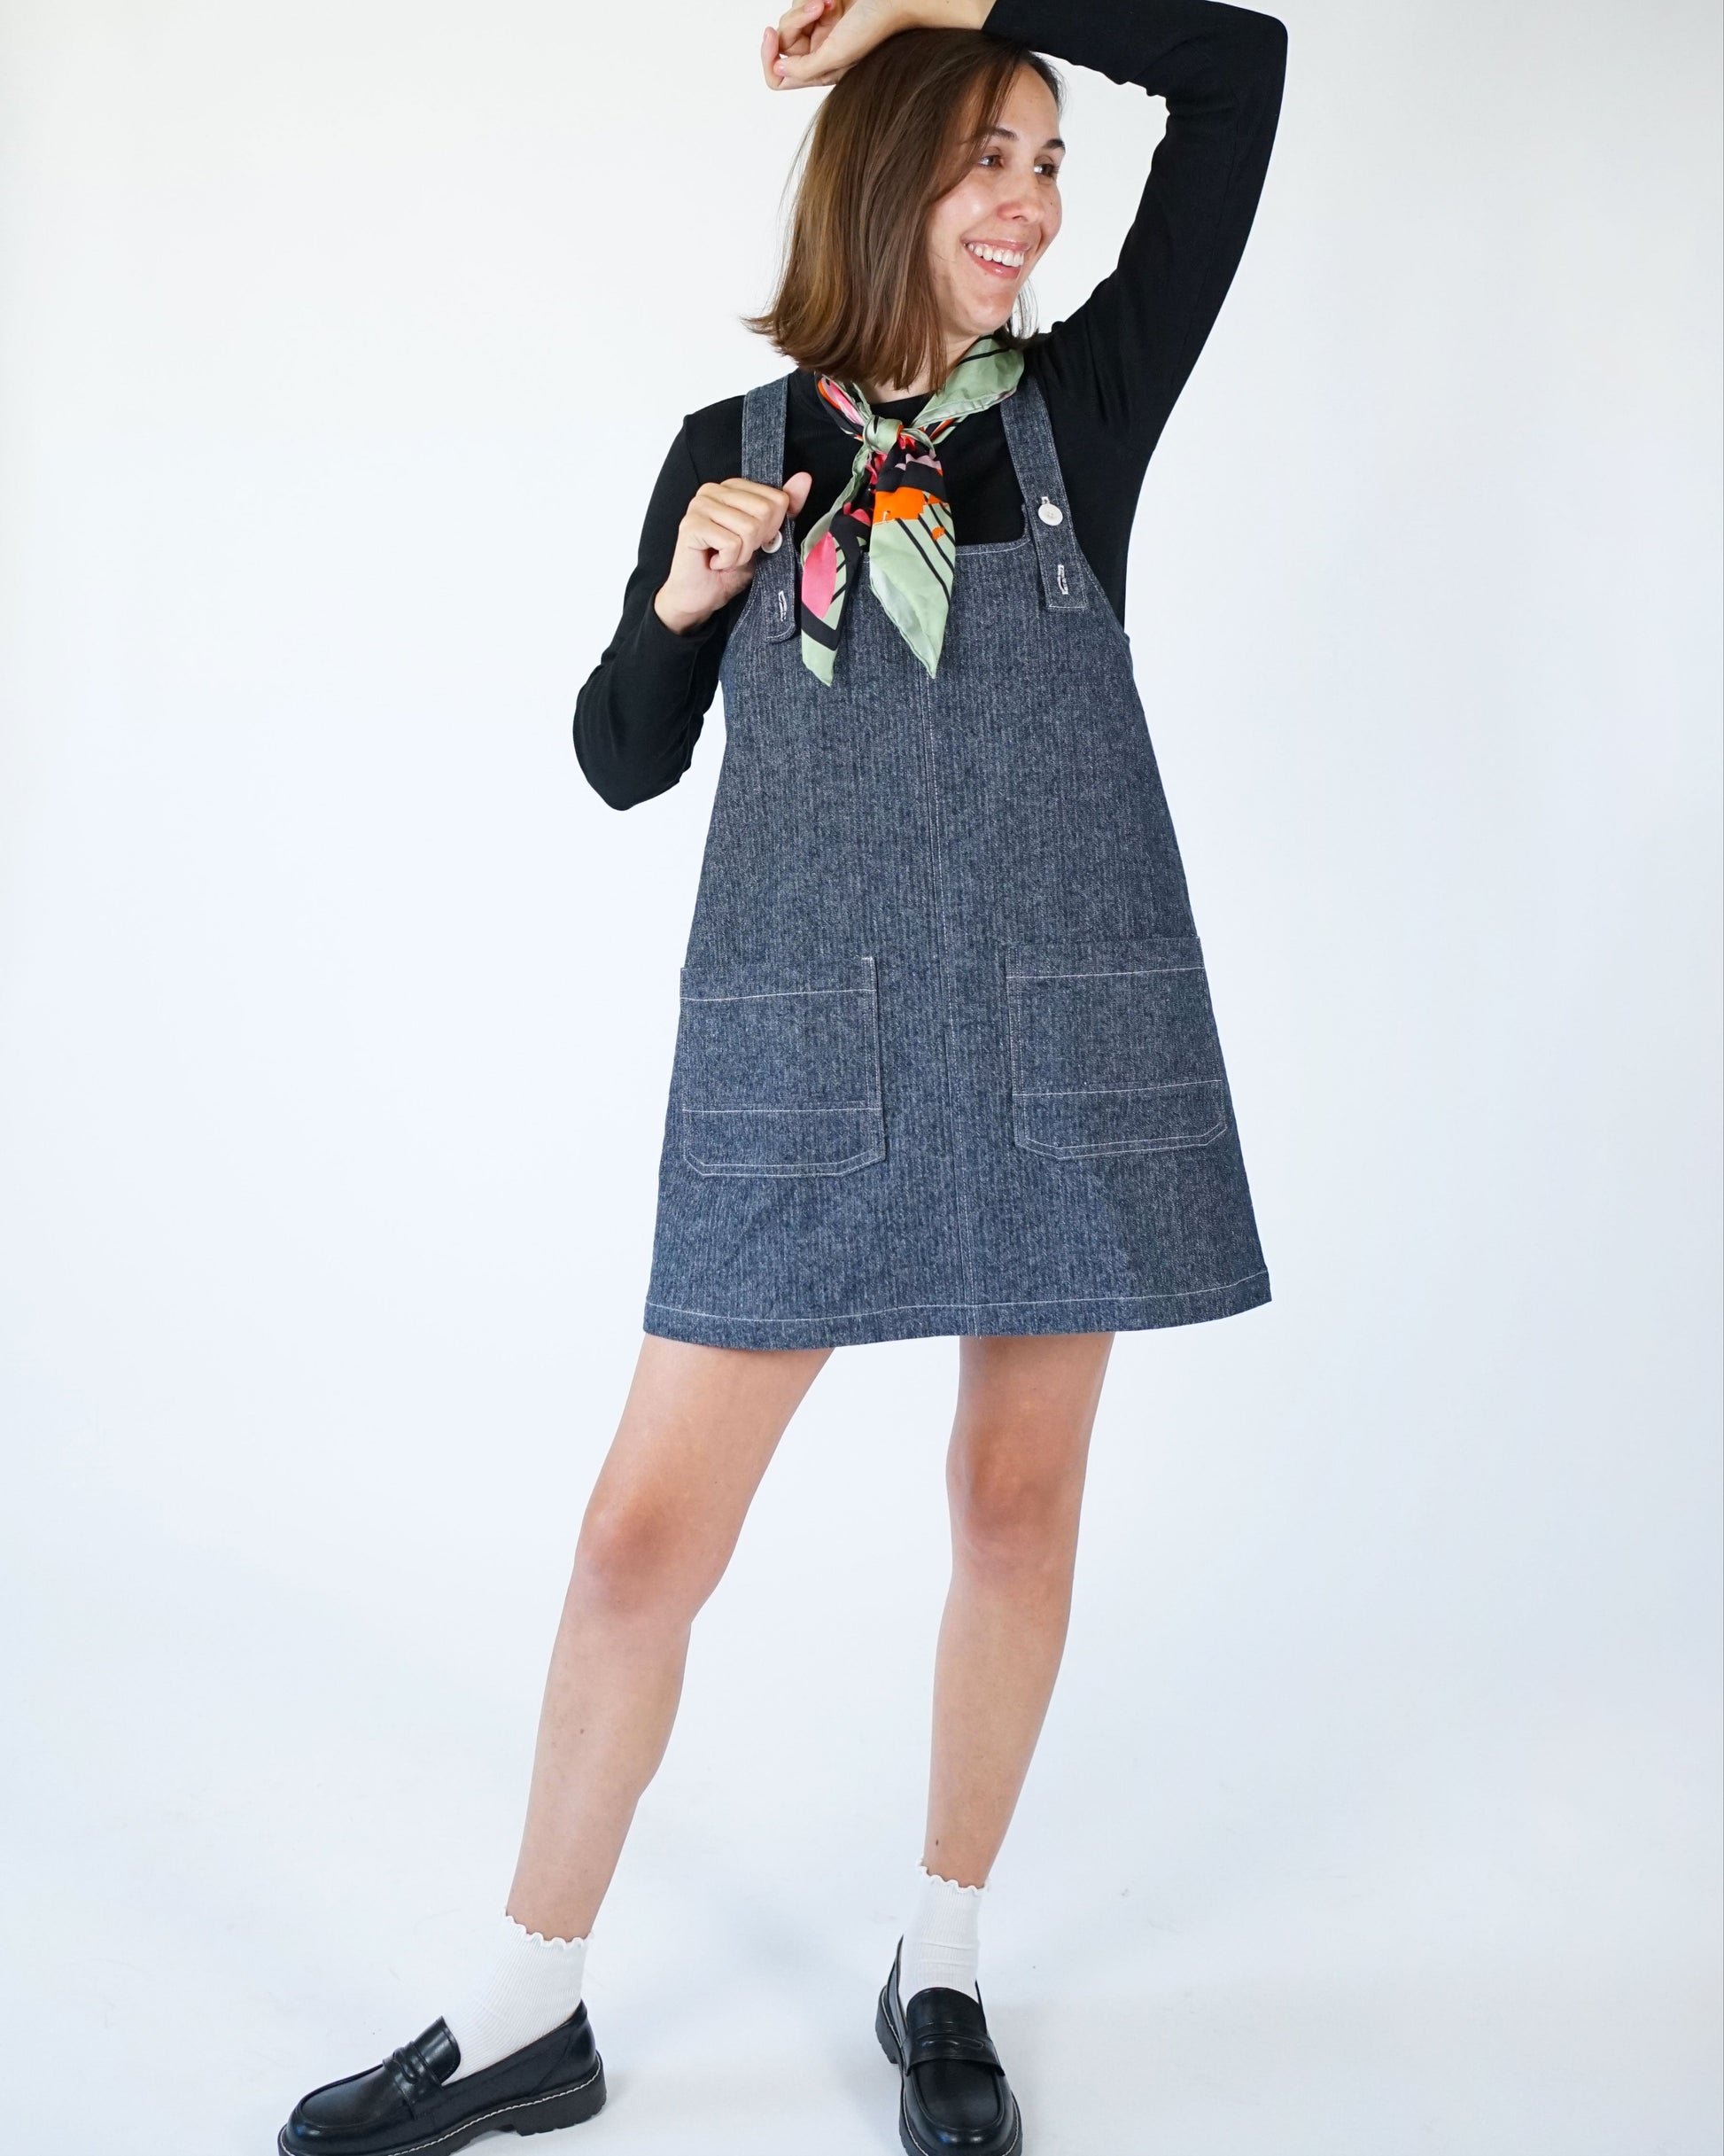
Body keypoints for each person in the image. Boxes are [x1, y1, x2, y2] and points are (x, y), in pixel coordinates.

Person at [277, 0, 1286, 2149]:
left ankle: (942, 1962)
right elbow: (623, 761)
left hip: (1053, 1040)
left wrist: (965, 8)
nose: (1026, 199)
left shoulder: (1081, 409)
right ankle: (525, 2002)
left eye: (1042, 161)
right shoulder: (734, 437)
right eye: (984, 156)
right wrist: (679, 597)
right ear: (879, 179)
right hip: (795, 1063)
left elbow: (1239, 62)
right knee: (639, 1538)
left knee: (1010, 1507)